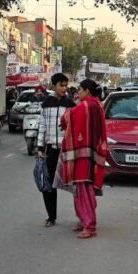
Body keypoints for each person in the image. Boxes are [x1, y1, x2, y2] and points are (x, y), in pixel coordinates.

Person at [59, 79, 108, 240]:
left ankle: (89, 225)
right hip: (92, 150)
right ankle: (84, 220)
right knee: (83, 189)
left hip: (83, 154)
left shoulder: (87, 105)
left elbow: (67, 118)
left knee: (83, 190)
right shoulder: (97, 104)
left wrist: (67, 113)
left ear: (87, 91)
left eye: (79, 90)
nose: (77, 93)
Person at [36, 73, 75, 227]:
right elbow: (42, 127)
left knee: (75, 184)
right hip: (51, 149)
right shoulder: (46, 104)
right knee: (49, 184)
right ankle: (51, 217)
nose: (64, 88)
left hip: (67, 150)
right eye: (61, 85)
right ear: (53, 86)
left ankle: (83, 217)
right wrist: (40, 147)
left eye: (66, 85)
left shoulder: (70, 105)